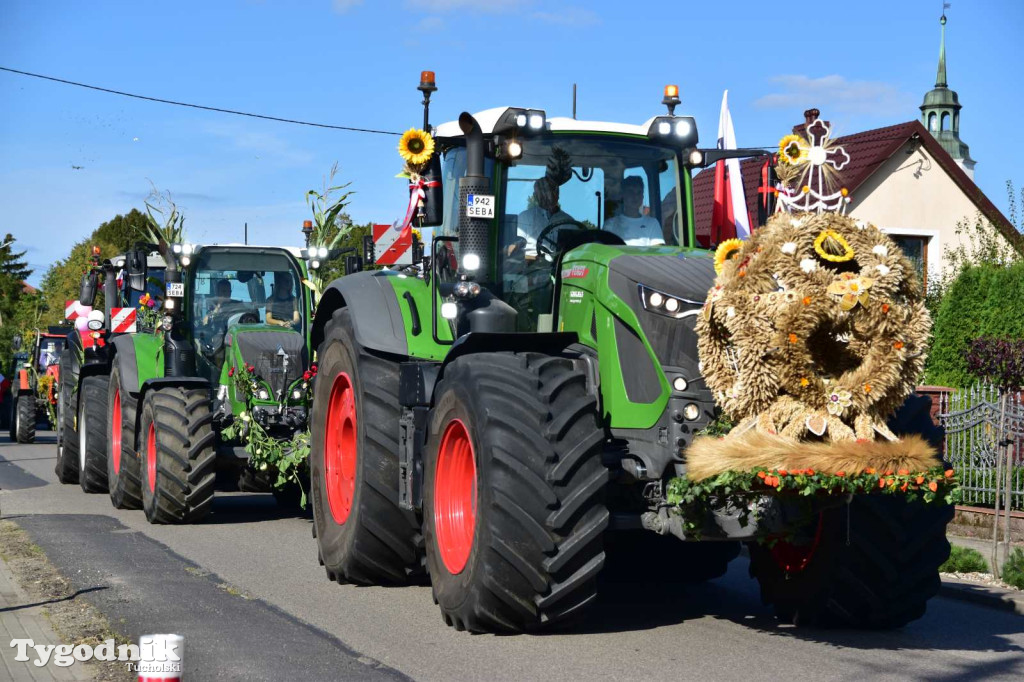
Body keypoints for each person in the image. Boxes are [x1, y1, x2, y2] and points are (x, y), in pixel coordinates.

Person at [516, 177, 575, 256]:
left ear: (558, 195)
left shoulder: (570, 223)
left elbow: (576, 252)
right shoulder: (524, 218)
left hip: (561, 266)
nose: (549, 195)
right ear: (535, 195)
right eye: (544, 192)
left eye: (553, 191)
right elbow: (515, 247)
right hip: (529, 266)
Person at [604, 175, 664, 246]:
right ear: (623, 195)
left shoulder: (652, 224)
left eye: (639, 192)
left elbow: (657, 253)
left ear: (643, 196)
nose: (635, 196)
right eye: (631, 192)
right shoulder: (610, 224)